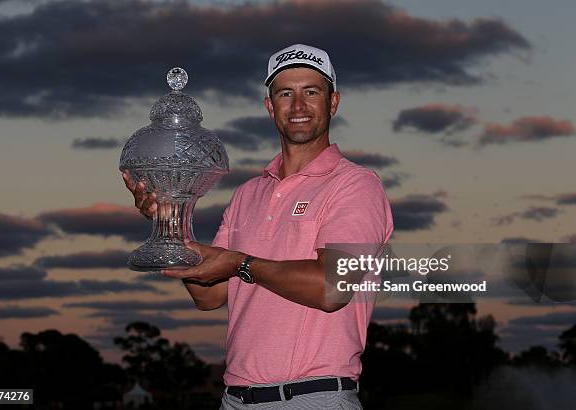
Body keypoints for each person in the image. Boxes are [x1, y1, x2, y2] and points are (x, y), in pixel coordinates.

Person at [123, 44, 393, 409]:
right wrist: (167, 221)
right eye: (286, 93)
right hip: (235, 399)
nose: (298, 106)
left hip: (313, 397)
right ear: (270, 106)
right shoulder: (247, 194)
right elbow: (208, 296)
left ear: (333, 103)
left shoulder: (356, 185)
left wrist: (240, 263)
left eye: (311, 92)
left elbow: (332, 288)